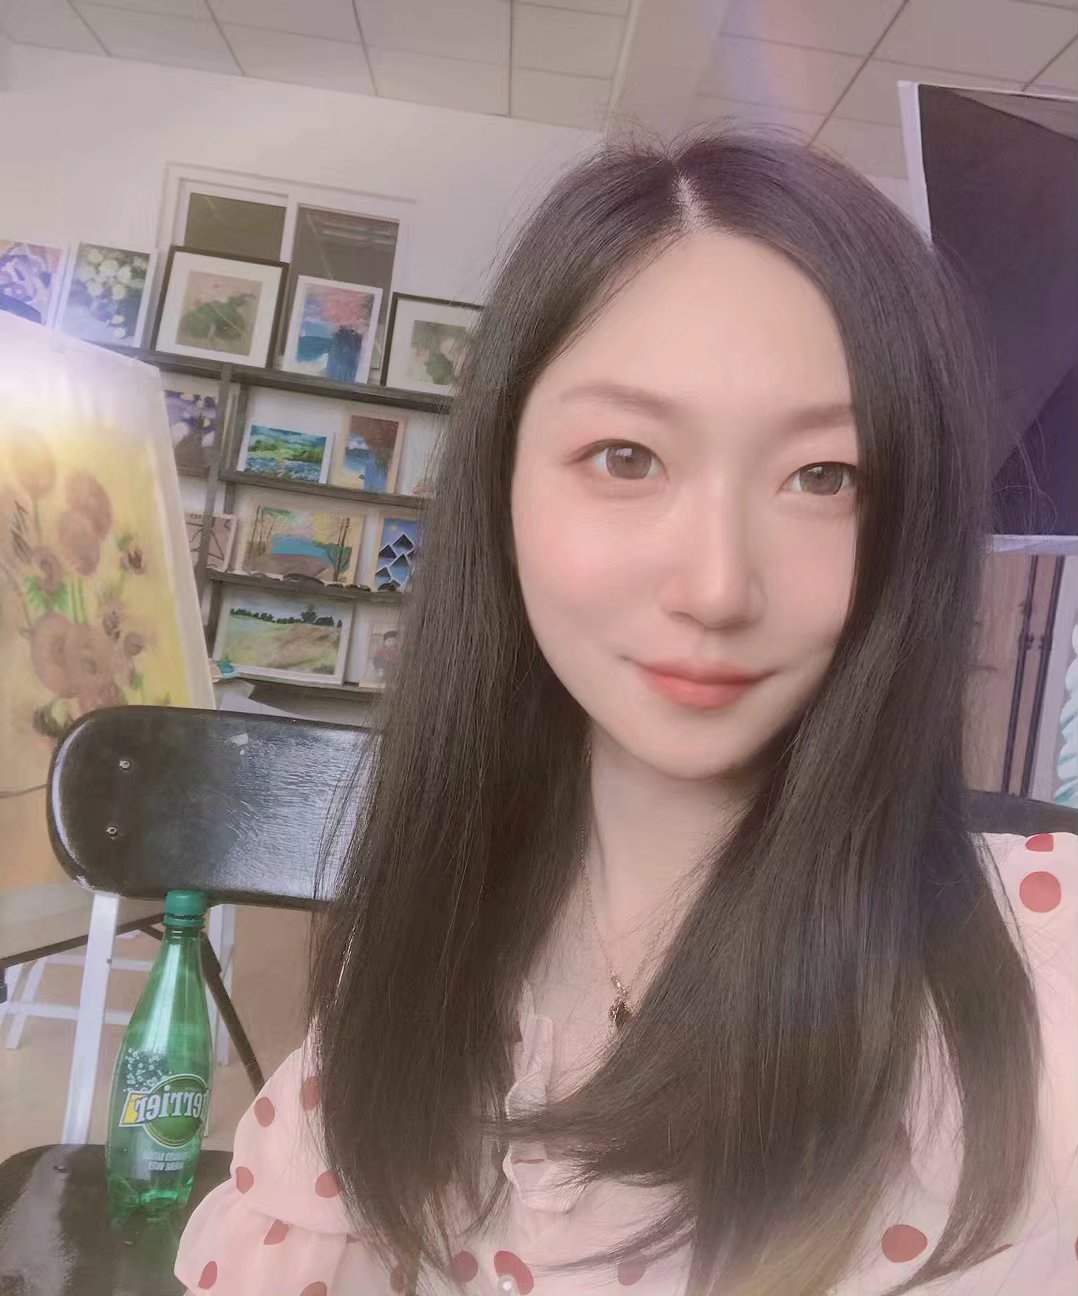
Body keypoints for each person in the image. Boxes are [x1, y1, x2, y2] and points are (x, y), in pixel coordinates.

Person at [175, 131, 1078, 1296]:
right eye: (625, 457)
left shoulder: (1043, 972)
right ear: (499, 480)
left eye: (826, 476)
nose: (715, 587)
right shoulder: (431, 943)